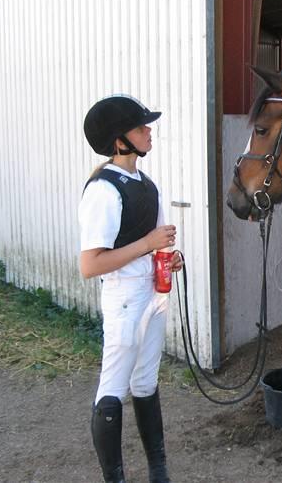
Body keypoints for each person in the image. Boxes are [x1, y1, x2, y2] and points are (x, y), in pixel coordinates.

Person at [78, 94, 182, 483]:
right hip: (123, 296)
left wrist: (170, 257)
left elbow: (152, 242)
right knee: (114, 386)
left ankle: (158, 468)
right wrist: (148, 245)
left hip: (152, 291)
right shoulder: (102, 190)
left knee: (146, 381)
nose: (149, 131)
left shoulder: (144, 184)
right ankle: (115, 478)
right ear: (120, 140)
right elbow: (90, 265)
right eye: (141, 127)